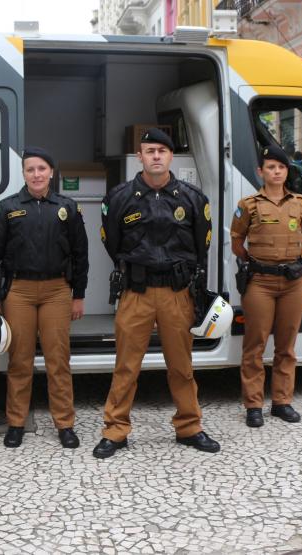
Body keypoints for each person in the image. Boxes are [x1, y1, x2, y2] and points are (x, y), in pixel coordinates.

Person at [94, 128, 219, 459]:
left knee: (181, 366)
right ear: (140, 156)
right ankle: (115, 430)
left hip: (177, 294)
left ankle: (189, 427)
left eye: (162, 151)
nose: (156, 156)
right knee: (126, 366)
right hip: (136, 292)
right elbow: (112, 243)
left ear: (171, 156)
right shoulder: (119, 198)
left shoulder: (192, 198)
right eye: (150, 151)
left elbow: (202, 246)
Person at [0, 147, 89, 449]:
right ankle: (16, 423)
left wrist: (78, 295)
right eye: (30, 169)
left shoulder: (67, 207)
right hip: (19, 292)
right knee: (19, 360)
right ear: (24, 174)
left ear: (51, 172)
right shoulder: (7, 207)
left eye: (42, 169)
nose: (36, 174)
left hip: (57, 291)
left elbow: (80, 254)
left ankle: (65, 424)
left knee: (58, 360)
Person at [230, 144, 302, 428]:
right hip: (260, 283)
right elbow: (236, 243)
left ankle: (282, 402)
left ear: (287, 171)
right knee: (254, 345)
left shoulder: (300, 203)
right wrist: (258, 263)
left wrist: (295, 261)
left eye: (280, 167)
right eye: (270, 167)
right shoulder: (248, 205)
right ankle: (253, 405)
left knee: (286, 347)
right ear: (261, 171)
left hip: (293, 284)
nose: (276, 172)